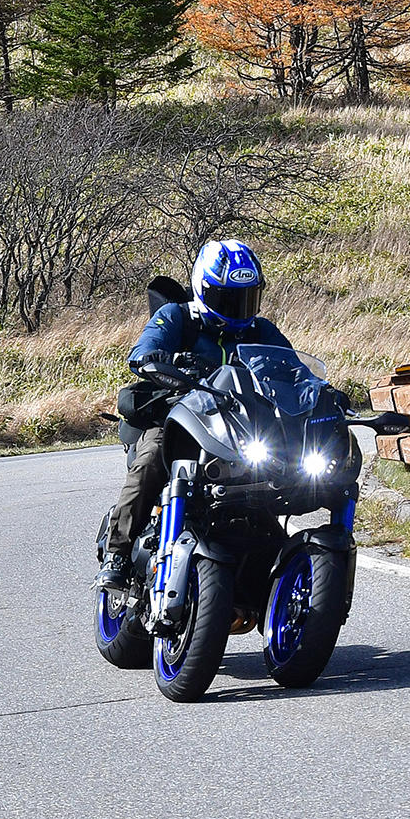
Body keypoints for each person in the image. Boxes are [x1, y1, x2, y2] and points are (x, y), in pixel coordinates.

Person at [97, 238, 293, 591]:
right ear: (204, 289)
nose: (238, 308)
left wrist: (317, 390)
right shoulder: (177, 317)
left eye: (247, 298)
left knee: (275, 476)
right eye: (227, 298)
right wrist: (160, 362)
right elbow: (143, 351)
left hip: (238, 429)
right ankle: (118, 553)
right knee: (153, 460)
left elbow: (292, 370)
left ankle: (270, 581)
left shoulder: (261, 330)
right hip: (176, 421)